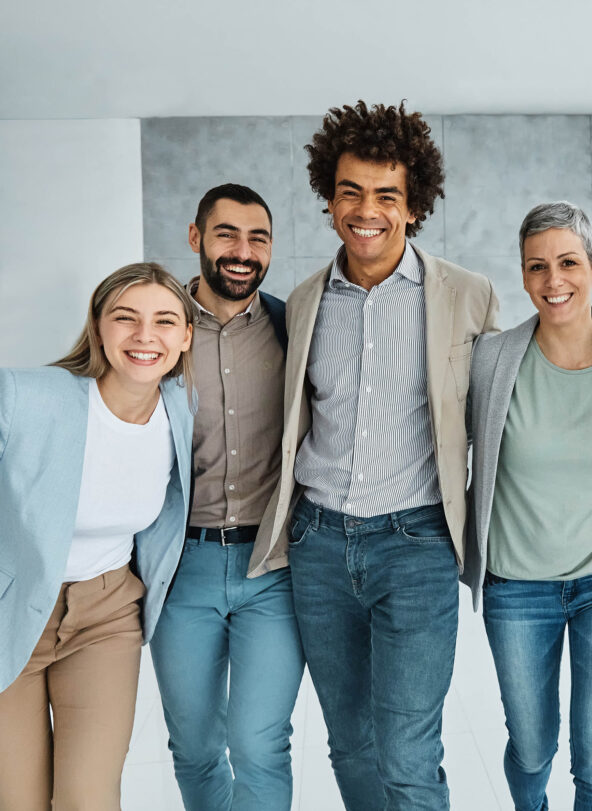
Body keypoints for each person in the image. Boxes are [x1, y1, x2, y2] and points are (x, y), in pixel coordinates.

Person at [249, 101, 499, 810]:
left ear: (414, 205)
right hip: (320, 546)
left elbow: (499, 412)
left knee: (408, 753)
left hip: (416, 544)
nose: (367, 210)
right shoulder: (301, 302)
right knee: (349, 743)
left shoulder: (468, 297)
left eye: (387, 195)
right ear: (328, 200)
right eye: (350, 192)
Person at [464, 201, 592, 810]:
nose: (555, 281)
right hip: (517, 587)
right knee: (531, 748)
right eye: (538, 267)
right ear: (523, 277)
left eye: (569, 262)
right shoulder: (491, 359)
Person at [0, 262, 194, 809]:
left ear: (185, 337)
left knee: (88, 798)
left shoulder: (181, 408)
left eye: (164, 321)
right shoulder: (25, 396)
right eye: (126, 318)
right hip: (12, 613)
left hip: (106, 615)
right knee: (19, 800)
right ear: (98, 326)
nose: (144, 336)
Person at [148, 184, 303, 811]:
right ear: (196, 239)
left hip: (273, 566)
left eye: (258, 238)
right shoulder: (157, 332)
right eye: (227, 235)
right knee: (194, 747)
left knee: (260, 744)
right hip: (181, 568)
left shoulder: (295, 325)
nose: (243, 251)